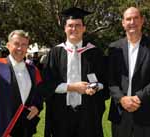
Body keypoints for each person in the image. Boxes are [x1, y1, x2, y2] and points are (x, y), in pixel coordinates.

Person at [42, 7, 109, 137]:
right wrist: (73, 87)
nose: (74, 29)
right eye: (70, 25)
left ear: (84, 28)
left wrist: (94, 88)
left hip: (88, 113)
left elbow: (103, 81)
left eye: (78, 25)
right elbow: (47, 83)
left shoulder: (95, 53)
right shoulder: (55, 53)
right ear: (65, 28)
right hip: (61, 112)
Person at [108, 7, 150, 137]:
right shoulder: (114, 48)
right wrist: (122, 99)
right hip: (120, 113)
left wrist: (138, 98)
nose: (132, 22)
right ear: (123, 23)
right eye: (128, 19)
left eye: (136, 18)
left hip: (147, 113)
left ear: (142, 21)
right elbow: (110, 78)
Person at [0, 30, 43, 137]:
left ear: (27, 47)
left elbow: (38, 96)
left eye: (24, 44)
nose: (20, 48)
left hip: (24, 129)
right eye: (16, 44)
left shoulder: (33, 71)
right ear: (8, 45)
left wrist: (36, 107)